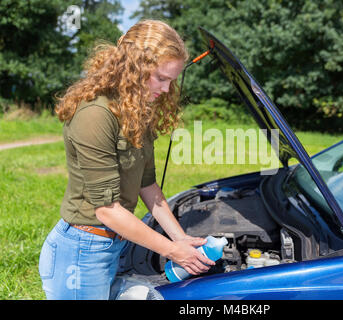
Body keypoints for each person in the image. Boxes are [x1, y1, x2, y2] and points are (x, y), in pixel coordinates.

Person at [38, 20, 214, 300]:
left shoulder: (136, 110)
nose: (167, 90)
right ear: (134, 67)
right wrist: (170, 250)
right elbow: (106, 210)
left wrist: (179, 238)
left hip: (112, 245)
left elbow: (148, 186)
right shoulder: (94, 113)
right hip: (82, 252)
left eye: (171, 80)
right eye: (161, 78)